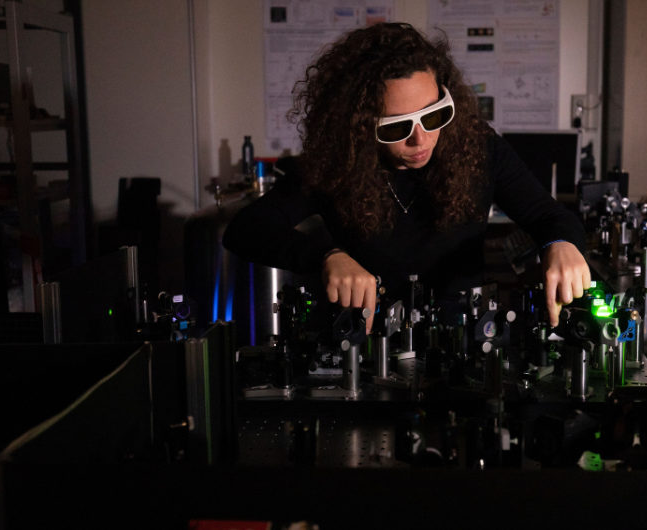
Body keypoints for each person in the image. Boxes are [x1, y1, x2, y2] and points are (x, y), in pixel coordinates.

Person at [222, 23, 590, 333]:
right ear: (360, 126)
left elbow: (549, 216)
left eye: (434, 115)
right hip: (368, 344)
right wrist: (325, 255)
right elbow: (245, 229)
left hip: (462, 340)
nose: (421, 138)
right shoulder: (334, 164)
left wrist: (559, 243)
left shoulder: (478, 148)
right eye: (397, 127)